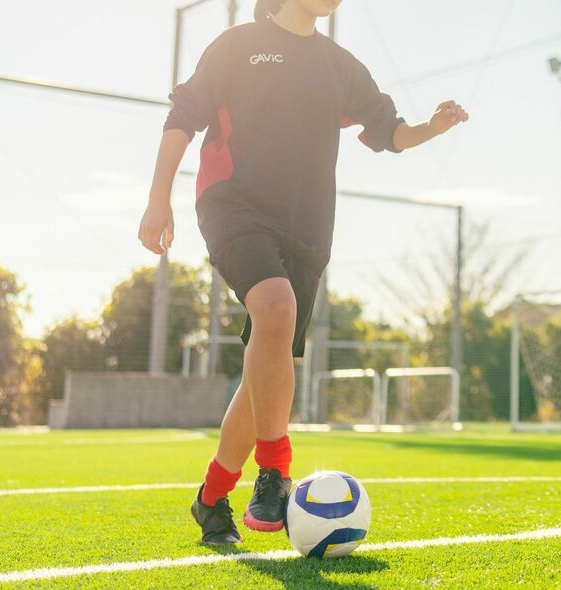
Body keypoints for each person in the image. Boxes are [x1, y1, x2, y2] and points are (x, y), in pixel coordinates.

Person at [137, 0, 468, 545]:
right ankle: (275, 470)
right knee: (275, 308)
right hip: (232, 207)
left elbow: (391, 132)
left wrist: (431, 127)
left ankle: (211, 498)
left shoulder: (340, 65)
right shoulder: (236, 46)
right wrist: (157, 199)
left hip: (309, 233)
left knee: (266, 368)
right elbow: (182, 119)